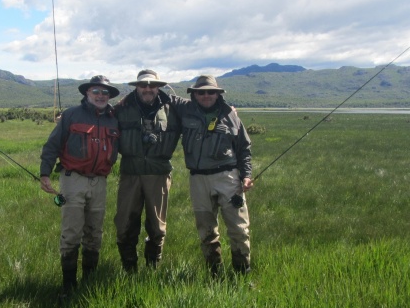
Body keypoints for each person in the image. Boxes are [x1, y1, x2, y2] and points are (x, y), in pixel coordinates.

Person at [39, 75, 121, 294]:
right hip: (72, 180)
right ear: (87, 93)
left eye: (105, 93)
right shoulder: (71, 115)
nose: (101, 96)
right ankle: (68, 285)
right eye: (96, 91)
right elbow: (52, 145)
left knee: (95, 233)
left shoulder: (114, 119)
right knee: (71, 232)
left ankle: (89, 281)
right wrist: (44, 174)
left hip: (100, 182)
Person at [175, 75, 254, 276]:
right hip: (198, 179)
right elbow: (162, 96)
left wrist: (246, 175)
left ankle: (242, 273)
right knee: (206, 231)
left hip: (228, 178)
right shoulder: (185, 111)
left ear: (218, 94)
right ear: (194, 94)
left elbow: (244, 148)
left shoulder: (231, 115)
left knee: (239, 230)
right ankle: (215, 275)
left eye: (211, 91)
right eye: (201, 92)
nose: (206, 95)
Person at [113, 69, 182, 272]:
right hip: (130, 174)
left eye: (152, 85)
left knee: (157, 227)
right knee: (125, 223)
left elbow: (202, 111)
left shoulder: (174, 109)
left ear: (159, 86)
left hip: (159, 175)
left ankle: (152, 267)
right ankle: (129, 268)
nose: (148, 89)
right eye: (143, 85)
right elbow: (97, 118)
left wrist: (227, 110)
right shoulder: (121, 108)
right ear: (136, 87)